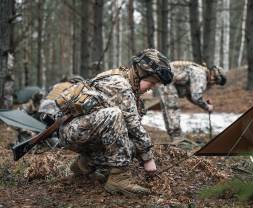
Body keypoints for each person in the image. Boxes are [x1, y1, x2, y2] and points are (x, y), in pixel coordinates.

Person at [56, 49, 173, 195]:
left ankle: (83, 165)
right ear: (141, 73)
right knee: (114, 115)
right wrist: (148, 159)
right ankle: (119, 179)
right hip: (72, 131)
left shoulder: (131, 89)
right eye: (152, 82)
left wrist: (139, 152)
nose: (152, 87)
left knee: (129, 145)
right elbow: (134, 126)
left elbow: (128, 136)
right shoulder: (120, 84)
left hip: (86, 130)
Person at [158, 60, 226, 141]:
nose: (212, 82)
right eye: (214, 79)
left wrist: (203, 102)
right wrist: (207, 107)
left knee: (168, 110)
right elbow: (196, 97)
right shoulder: (200, 75)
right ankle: (177, 137)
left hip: (166, 80)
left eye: (215, 81)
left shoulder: (200, 73)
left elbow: (190, 96)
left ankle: (174, 136)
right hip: (168, 81)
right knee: (173, 108)